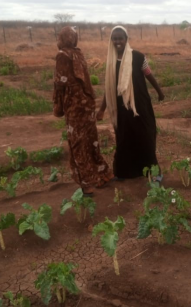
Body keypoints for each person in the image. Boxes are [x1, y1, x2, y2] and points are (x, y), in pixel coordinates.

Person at [96, 26, 164, 180]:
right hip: (121, 110)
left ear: (126, 39)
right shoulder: (111, 62)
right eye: (115, 38)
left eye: (120, 38)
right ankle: (123, 172)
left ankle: (155, 173)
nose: (117, 41)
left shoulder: (138, 57)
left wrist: (159, 91)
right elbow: (109, 88)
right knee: (124, 140)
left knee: (145, 138)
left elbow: (149, 75)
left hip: (139, 106)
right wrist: (101, 110)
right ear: (111, 40)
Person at [53, 26, 113, 196]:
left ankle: (93, 178)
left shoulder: (70, 54)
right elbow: (67, 81)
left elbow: (64, 82)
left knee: (84, 140)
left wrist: (59, 106)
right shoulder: (70, 54)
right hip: (80, 104)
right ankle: (93, 178)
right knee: (84, 140)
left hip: (80, 104)